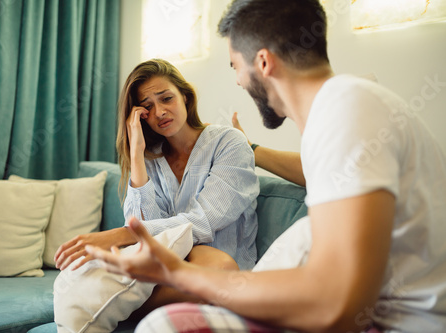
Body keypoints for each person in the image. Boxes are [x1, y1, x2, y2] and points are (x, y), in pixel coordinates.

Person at [84, 0, 446, 332]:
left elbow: (338, 303)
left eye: (235, 66)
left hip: (401, 323)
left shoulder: (347, 109)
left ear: (262, 62)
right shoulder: (341, 110)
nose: (239, 80)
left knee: (165, 325)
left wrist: (180, 274)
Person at [54, 58, 260, 313]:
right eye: (147, 107)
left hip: (221, 274)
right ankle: (110, 302)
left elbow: (204, 221)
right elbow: (146, 238)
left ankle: (114, 306)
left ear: (185, 96)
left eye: (166, 98)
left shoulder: (229, 143)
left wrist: (116, 236)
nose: (160, 112)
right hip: (164, 274)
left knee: (219, 264)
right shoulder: (151, 157)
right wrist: (137, 154)